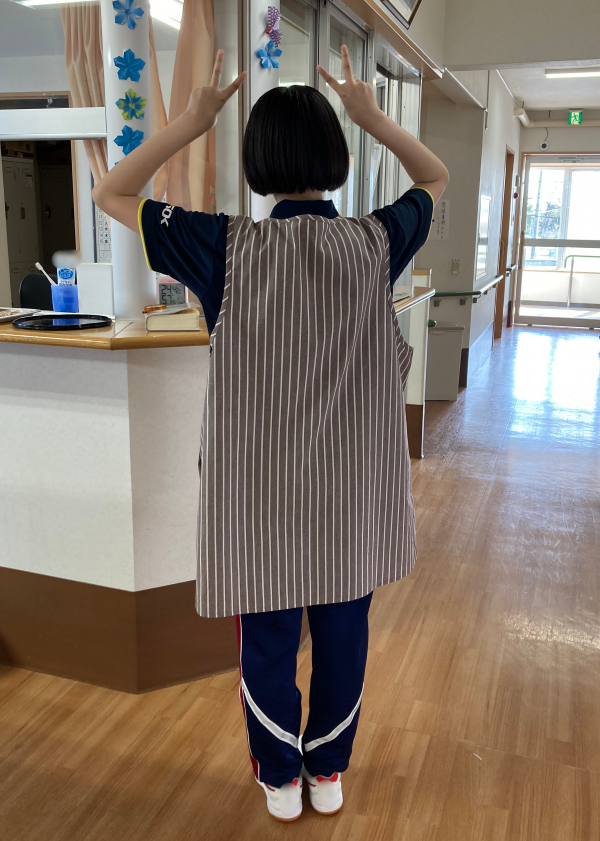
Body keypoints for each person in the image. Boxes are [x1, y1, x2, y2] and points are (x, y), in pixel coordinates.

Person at [93, 47, 448, 823]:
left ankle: (280, 776)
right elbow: (435, 178)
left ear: (256, 163)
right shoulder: (376, 240)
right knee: (345, 638)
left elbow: (111, 191)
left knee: (267, 643)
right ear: (337, 157)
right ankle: (328, 771)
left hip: (257, 497)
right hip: (351, 494)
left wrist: (189, 125)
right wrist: (374, 118)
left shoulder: (221, 246)